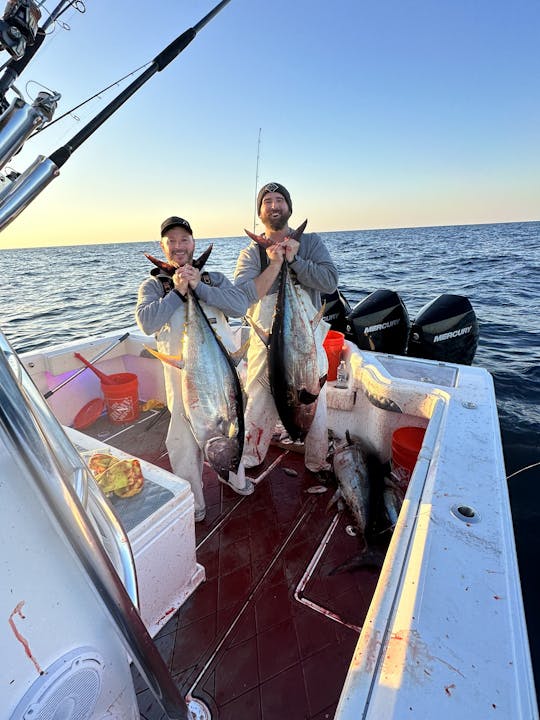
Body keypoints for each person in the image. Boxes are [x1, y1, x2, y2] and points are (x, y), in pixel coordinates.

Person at [135, 216, 258, 522]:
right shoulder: (154, 285)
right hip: (183, 378)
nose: (178, 246)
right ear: (162, 246)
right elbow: (147, 323)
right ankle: (195, 503)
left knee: (232, 423)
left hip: (222, 375)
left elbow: (238, 306)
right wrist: (177, 292)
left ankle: (235, 477)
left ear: (194, 243)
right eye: (171, 241)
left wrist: (198, 288)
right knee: (182, 442)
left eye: (184, 240)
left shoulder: (213, 279)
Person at [234, 182, 339, 475]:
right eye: (267, 201)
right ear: (260, 211)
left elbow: (330, 282)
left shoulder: (312, 242)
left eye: (279, 199)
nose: (274, 205)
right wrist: (274, 264)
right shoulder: (251, 254)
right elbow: (243, 295)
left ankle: (317, 461)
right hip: (265, 335)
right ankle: (251, 456)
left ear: (289, 208)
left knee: (315, 397)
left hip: (306, 334)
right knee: (257, 396)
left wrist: (296, 260)